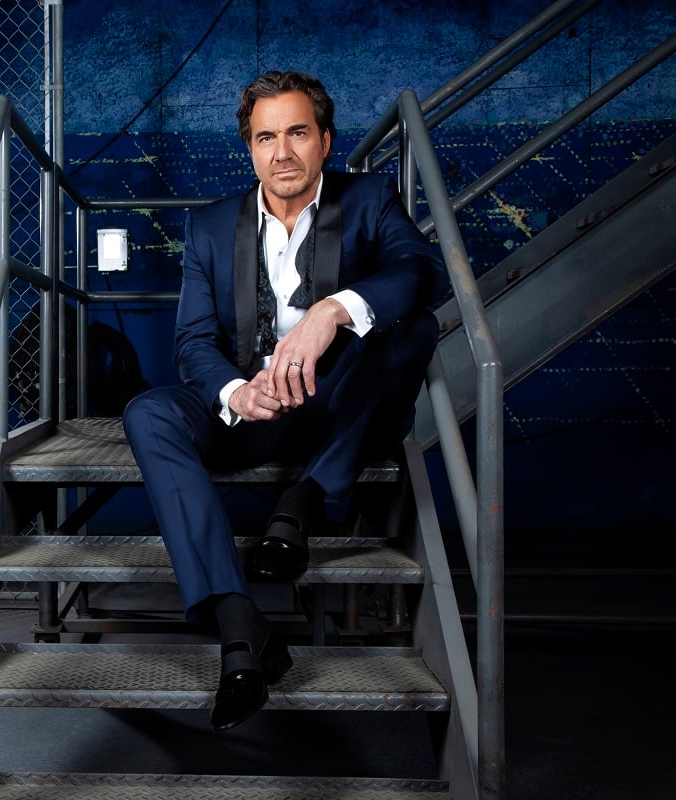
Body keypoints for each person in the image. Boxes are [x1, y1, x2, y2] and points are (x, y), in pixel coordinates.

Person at [122, 70, 449, 733]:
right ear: (250, 149)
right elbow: (191, 343)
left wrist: (335, 308)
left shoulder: (370, 200)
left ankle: (302, 501)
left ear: (325, 141)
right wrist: (239, 391)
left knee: (412, 325)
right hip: (253, 411)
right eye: (266, 137)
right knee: (148, 413)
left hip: (337, 407)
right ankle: (241, 625)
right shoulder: (212, 228)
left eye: (298, 133)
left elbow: (422, 273)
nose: (283, 152)